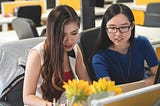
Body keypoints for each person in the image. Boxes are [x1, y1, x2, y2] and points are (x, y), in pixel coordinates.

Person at [23, 5, 91, 106]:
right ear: (52, 33)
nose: (69, 40)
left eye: (74, 33)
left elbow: (87, 84)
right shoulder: (37, 54)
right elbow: (27, 97)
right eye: (63, 35)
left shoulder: (75, 49)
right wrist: (48, 105)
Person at [92, 4, 159, 86]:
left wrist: (134, 88)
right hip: (120, 98)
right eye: (112, 28)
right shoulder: (99, 58)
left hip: (145, 93)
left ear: (132, 26)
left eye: (123, 27)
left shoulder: (142, 43)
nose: (118, 34)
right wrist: (142, 85)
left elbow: (157, 75)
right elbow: (109, 91)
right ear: (105, 29)